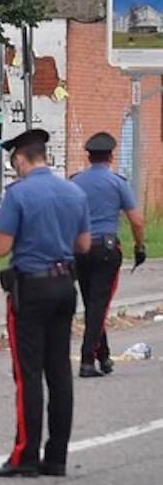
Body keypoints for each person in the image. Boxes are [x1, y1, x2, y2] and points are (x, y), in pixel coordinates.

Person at [0, 129, 91, 478]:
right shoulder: (74, 191)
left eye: (13, 160)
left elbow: (1, 247)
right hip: (65, 286)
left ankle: (25, 456)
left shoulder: (19, 195)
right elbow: (84, 245)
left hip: (31, 289)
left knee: (28, 373)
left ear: (19, 159)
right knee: (59, 371)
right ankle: (56, 457)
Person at [70, 131, 147, 378]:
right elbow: (136, 221)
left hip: (79, 250)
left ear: (89, 156)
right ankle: (86, 360)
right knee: (99, 306)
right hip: (106, 249)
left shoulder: (74, 182)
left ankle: (103, 356)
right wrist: (140, 246)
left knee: (93, 302)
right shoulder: (117, 183)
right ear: (111, 156)